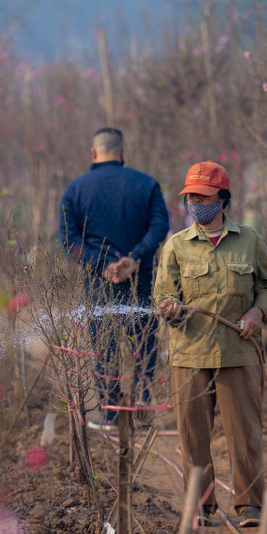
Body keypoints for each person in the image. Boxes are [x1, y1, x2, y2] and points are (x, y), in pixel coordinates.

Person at [153, 161, 267, 528]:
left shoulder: (250, 241)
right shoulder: (176, 246)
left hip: (238, 351)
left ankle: (249, 505)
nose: (196, 203)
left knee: (244, 431)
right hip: (190, 354)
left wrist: (258, 313)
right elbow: (164, 295)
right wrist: (171, 309)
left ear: (223, 200)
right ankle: (201, 506)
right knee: (193, 435)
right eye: (191, 197)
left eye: (204, 197)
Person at [58, 127, 170, 429]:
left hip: (99, 283)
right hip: (141, 278)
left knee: (104, 347)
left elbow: (69, 241)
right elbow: (160, 226)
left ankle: (109, 415)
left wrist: (102, 265)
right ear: (122, 153)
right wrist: (133, 259)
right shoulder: (146, 184)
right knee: (144, 344)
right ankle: (143, 408)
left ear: (93, 153)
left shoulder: (76, 189)